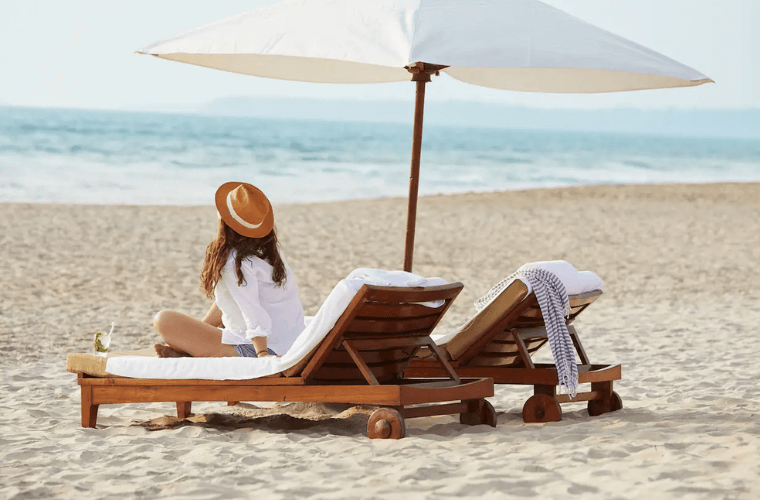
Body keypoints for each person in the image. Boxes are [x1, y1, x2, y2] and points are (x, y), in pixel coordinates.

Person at [153, 182, 305, 358]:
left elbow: (252, 310)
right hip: (291, 341)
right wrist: (202, 330)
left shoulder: (235, 263)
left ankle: (212, 351)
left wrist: (262, 353)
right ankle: (192, 346)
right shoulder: (271, 252)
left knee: (163, 320)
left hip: (262, 347)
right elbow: (237, 297)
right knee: (225, 303)